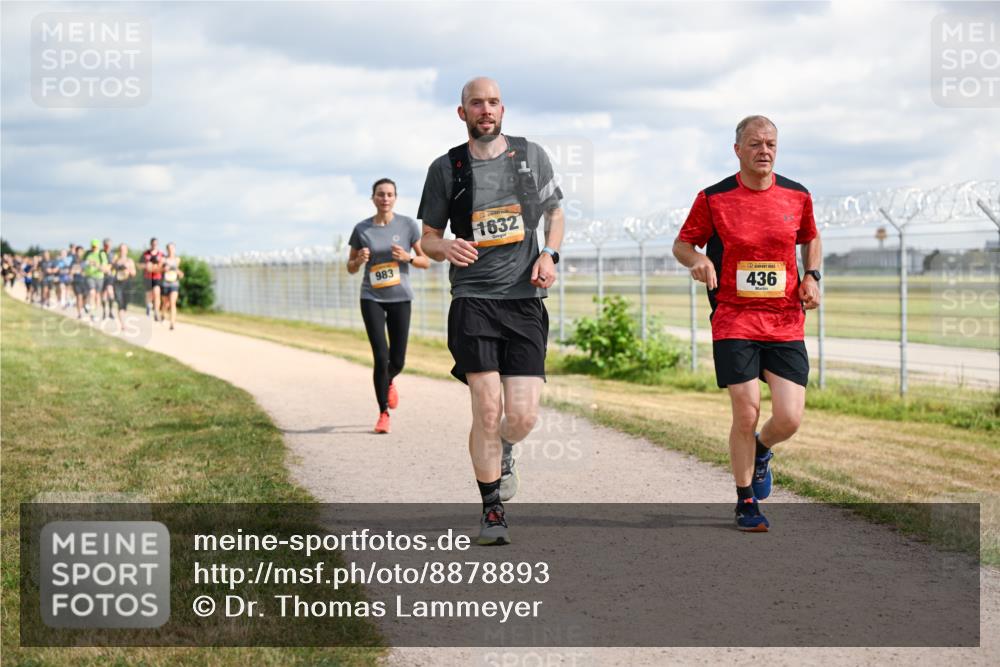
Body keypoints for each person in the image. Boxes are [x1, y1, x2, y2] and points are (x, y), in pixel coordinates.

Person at [418, 77, 564, 545]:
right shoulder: (447, 168)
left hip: (524, 301)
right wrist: (444, 246)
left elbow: (555, 214)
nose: (486, 109)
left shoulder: (531, 155)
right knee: (486, 408)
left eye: (494, 102)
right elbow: (427, 238)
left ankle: (503, 448)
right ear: (462, 113)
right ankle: (492, 509)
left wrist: (549, 255)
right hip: (473, 300)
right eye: (477, 103)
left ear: (503, 109)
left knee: (521, 418)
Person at [672, 115, 822, 532]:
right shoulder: (714, 198)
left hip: (785, 321)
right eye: (755, 144)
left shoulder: (797, 195)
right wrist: (698, 260)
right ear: (737, 149)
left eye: (771, 144)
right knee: (747, 409)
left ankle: (761, 449)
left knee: (789, 417)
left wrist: (812, 276)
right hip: (734, 318)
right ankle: (746, 501)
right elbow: (682, 244)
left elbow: (811, 237)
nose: (764, 151)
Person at [347, 178, 430, 434]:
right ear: (373, 198)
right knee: (381, 356)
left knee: (398, 360)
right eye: (380, 194)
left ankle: (389, 379)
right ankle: (383, 413)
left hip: (400, 297)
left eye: (389, 194)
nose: (385, 198)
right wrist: (359, 260)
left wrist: (408, 257)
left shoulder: (407, 225)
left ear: (395, 198)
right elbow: (350, 267)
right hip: (371, 297)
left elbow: (426, 261)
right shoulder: (362, 229)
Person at [110, 243, 136, 332]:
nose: (122, 251)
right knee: (120, 302)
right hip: (117, 284)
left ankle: (122, 318)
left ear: (126, 251)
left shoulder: (130, 261)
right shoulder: (116, 260)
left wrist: (128, 269)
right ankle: (123, 324)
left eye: (124, 249)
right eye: (121, 249)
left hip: (127, 283)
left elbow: (134, 273)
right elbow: (110, 270)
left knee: (125, 304)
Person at [159, 243, 184, 330]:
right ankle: (163, 315)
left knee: (173, 303)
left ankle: (172, 323)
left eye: (172, 248)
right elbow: (158, 269)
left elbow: (180, 273)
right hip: (165, 283)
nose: (171, 250)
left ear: (174, 249)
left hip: (174, 284)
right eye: (169, 248)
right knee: (165, 304)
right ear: (167, 250)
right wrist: (163, 269)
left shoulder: (177, 259)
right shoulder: (163, 259)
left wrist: (179, 272)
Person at [82, 239, 108, 321]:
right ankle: (90, 309)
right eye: (92, 247)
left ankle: (96, 313)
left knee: (97, 295)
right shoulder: (87, 253)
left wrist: (96, 265)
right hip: (89, 276)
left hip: (99, 276)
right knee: (92, 292)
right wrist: (87, 263)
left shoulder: (101, 254)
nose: (93, 248)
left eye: (95, 247)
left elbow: (104, 268)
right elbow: (82, 264)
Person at [142, 238, 164, 320]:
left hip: (157, 277)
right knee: (149, 295)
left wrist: (155, 268)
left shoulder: (161, 254)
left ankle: (156, 312)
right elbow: (140, 264)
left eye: (156, 243)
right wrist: (146, 266)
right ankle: (148, 306)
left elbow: (163, 267)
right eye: (153, 243)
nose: (154, 245)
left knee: (157, 293)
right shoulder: (145, 253)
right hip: (147, 277)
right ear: (150, 244)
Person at [100, 238, 115, 320]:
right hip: (101, 276)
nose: (108, 246)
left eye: (109, 245)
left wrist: (110, 269)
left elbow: (114, 264)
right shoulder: (100, 253)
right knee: (104, 295)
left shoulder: (113, 253)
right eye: (106, 245)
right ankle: (104, 312)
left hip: (110, 276)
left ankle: (111, 311)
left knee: (110, 292)